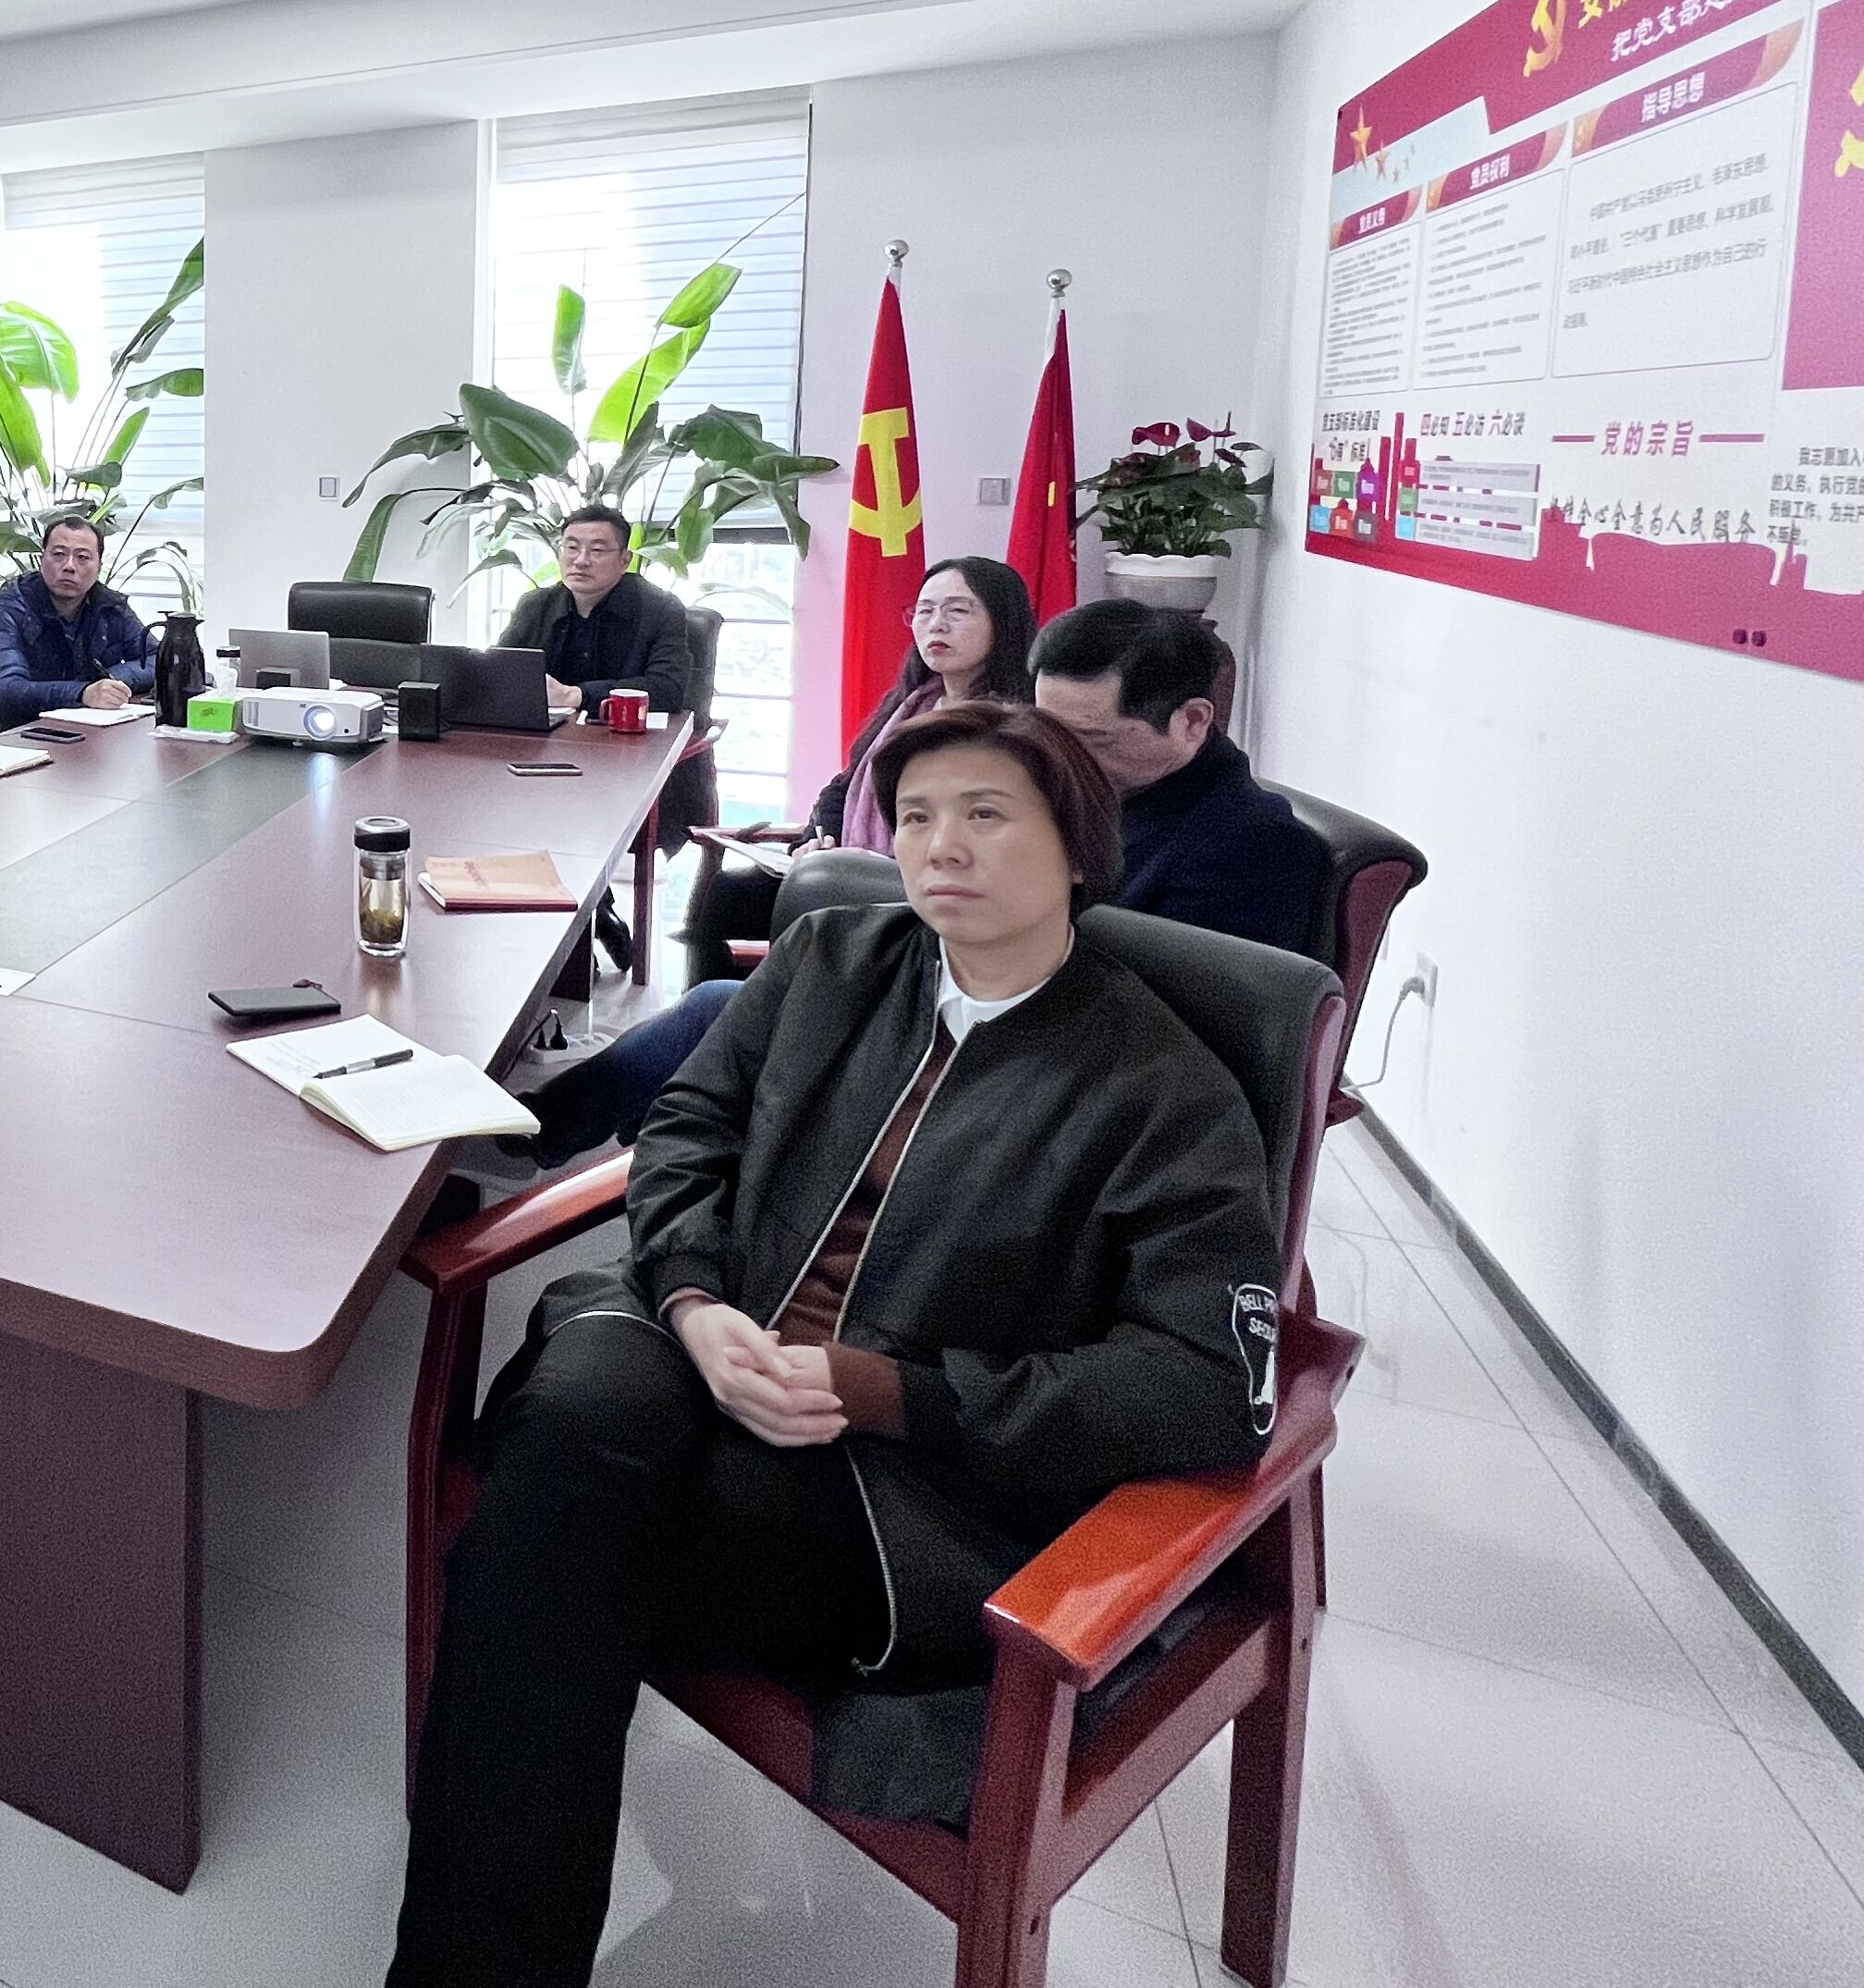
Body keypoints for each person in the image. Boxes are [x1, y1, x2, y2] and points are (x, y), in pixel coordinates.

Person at [389, 700, 1282, 1985]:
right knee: (577, 1431)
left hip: (891, 1477)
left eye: (986, 815)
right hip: (696, 1328)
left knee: (545, 1545)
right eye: (915, 816)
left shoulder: (1159, 1086)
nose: (940, 846)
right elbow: (688, 1127)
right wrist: (694, 1302)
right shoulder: (833, 959)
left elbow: (1204, 1382)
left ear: (1079, 847)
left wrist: (887, 1391)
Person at [674, 549, 1037, 989]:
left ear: (1004, 622)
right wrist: (819, 838)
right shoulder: (913, 702)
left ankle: (788, 1012)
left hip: (931, 889)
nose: (937, 624)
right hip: (848, 866)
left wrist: (867, 860)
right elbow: (842, 789)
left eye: (958, 611)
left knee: (808, 897)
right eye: (925, 610)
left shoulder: (1010, 725)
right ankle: (731, 1016)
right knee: (726, 897)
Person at [1033, 601, 1321, 955]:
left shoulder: (1251, 847)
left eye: (1091, 739)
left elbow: (1179, 987)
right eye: (1046, 730)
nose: (1058, 756)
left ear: (1193, 721)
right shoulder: (1083, 793)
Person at [497, 504, 692, 723]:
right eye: (572, 548)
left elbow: (667, 689)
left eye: (597, 550)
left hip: (625, 736)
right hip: (545, 735)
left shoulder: (660, 609)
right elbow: (500, 672)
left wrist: (576, 696)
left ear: (624, 560)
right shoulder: (535, 606)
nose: (581, 560)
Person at [0, 512, 157, 723]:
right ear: (42, 560)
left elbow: (158, 659)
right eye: (59, 554)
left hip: (87, 727)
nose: (69, 566)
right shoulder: (15, 602)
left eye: (82, 557)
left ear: (99, 567)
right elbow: (5, 687)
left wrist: (109, 680)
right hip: (14, 729)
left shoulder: (109, 605)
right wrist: (82, 693)